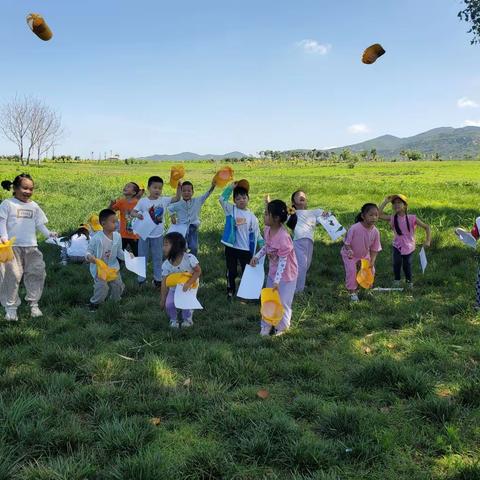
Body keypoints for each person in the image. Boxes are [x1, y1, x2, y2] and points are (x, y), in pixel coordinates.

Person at [0, 173, 57, 321]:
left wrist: (49, 234)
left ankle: (34, 304)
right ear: (15, 188)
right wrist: (3, 237)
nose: (28, 192)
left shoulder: (34, 206)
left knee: (37, 273)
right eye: (25, 188)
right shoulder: (8, 204)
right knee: (11, 276)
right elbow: (2, 221)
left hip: (32, 247)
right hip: (12, 248)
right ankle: (11, 308)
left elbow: (39, 224)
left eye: (31, 189)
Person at [250, 199, 298, 336]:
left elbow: (283, 261)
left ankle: (281, 327)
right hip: (273, 272)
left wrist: (277, 281)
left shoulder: (284, 238)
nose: (264, 216)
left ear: (276, 218)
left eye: (266, 214)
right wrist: (257, 256)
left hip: (286, 275)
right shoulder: (267, 230)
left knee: (282, 301)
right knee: (269, 299)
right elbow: (267, 246)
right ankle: (267, 324)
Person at [132, 176, 180, 287]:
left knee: (157, 257)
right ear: (149, 188)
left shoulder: (163, 200)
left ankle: (158, 280)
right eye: (155, 187)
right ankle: (141, 280)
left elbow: (177, 198)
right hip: (144, 235)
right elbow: (132, 212)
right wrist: (137, 215)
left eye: (160, 188)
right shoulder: (143, 201)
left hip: (158, 236)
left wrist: (178, 187)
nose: (157, 190)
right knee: (142, 257)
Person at [219, 181, 263, 299]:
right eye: (238, 199)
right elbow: (221, 199)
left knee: (247, 272)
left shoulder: (252, 217)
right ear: (234, 201)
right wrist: (230, 188)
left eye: (244, 198)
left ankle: (246, 292)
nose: (241, 200)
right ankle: (230, 289)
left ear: (248, 199)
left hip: (245, 249)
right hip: (231, 248)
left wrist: (263, 245)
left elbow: (257, 234)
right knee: (231, 271)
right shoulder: (231, 210)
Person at [378, 194, 431, 289]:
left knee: (407, 265)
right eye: (394, 203)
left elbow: (427, 227)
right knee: (396, 263)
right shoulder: (392, 218)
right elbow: (378, 215)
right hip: (397, 245)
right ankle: (397, 280)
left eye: (399, 203)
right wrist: (385, 202)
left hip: (409, 246)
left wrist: (428, 240)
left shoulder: (412, 218)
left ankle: (409, 282)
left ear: (405, 205)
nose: (396, 205)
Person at [286, 190, 329, 293]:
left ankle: (298, 283)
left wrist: (327, 214)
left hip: (309, 242)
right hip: (298, 242)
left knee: (306, 264)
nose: (301, 196)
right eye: (298, 195)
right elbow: (280, 213)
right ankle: (297, 289)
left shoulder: (313, 213)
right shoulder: (292, 214)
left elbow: (325, 217)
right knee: (302, 265)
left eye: (303, 196)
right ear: (293, 202)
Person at [85, 209, 126, 310]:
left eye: (117, 221)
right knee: (102, 287)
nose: (116, 224)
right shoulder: (96, 238)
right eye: (113, 222)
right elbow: (88, 252)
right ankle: (95, 304)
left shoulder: (117, 236)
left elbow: (119, 252)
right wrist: (90, 257)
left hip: (113, 267)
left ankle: (115, 301)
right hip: (100, 269)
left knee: (118, 285)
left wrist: (127, 257)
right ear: (103, 224)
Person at [341, 203, 382, 302]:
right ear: (363, 216)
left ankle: (366, 288)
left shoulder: (376, 232)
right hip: (350, 254)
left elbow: (375, 249)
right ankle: (352, 292)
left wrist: (372, 261)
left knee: (371, 271)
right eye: (371, 215)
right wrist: (350, 250)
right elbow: (347, 243)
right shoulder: (355, 228)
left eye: (376, 215)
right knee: (352, 271)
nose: (374, 217)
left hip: (364, 255)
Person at [160, 232, 202, 328]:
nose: (163, 248)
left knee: (186, 305)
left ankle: (187, 320)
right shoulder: (166, 264)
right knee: (169, 304)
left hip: (190, 286)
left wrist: (188, 284)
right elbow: (164, 281)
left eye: (166, 245)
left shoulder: (189, 258)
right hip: (174, 287)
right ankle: (173, 319)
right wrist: (163, 298)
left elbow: (198, 271)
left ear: (176, 247)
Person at [167, 180, 216, 256]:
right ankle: (181, 261)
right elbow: (170, 208)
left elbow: (206, 195)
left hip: (193, 228)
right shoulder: (178, 204)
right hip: (182, 229)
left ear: (192, 192)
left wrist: (212, 187)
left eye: (189, 191)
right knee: (182, 246)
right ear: (181, 192)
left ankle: (193, 262)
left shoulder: (197, 201)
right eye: (184, 191)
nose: (186, 193)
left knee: (194, 247)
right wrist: (172, 216)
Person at [110, 182, 141, 256]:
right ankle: (115, 267)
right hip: (123, 234)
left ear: (133, 192)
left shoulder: (138, 203)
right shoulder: (121, 202)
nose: (125, 187)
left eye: (128, 186)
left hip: (135, 235)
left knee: (137, 254)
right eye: (125, 186)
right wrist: (111, 205)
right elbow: (111, 211)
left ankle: (138, 267)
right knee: (119, 254)